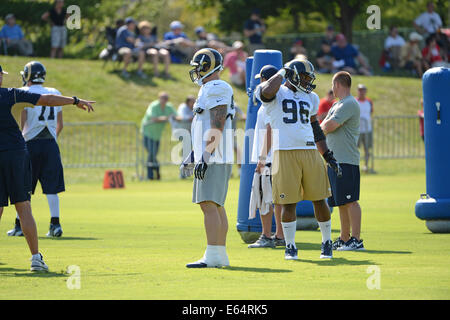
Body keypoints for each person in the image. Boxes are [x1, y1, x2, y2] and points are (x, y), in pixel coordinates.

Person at [0, 63, 94, 272]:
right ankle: (36, 257)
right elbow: (48, 101)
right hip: (17, 152)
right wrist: (75, 101)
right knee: (24, 205)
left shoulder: (17, 92)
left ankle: (27, 237)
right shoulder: (11, 94)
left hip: (21, 147)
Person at [256, 58, 342, 260]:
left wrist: (327, 154)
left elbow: (315, 128)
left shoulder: (311, 97)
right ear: (291, 75)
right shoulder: (275, 91)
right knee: (288, 203)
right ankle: (290, 246)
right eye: (303, 77)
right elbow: (266, 92)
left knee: (320, 199)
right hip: (284, 152)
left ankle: (327, 242)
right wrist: (282, 73)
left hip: (310, 151)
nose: (306, 81)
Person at [180, 48, 235, 268]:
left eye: (198, 66)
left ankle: (212, 255)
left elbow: (217, 123)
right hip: (213, 153)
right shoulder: (209, 88)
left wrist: (205, 155)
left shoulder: (217, 86)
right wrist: (194, 154)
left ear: (208, 66)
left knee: (209, 204)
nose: (196, 71)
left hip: (215, 155)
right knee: (216, 205)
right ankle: (219, 255)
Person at [7, 61, 66, 238]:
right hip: (50, 143)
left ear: (28, 75)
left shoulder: (24, 92)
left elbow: (23, 121)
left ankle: (18, 226)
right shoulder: (55, 92)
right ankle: (55, 224)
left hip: (30, 143)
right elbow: (60, 124)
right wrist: (52, 140)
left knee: (24, 186)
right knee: (51, 186)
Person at [321, 71, 365, 251]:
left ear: (338, 84)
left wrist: (318, 129)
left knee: (350, 200)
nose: (332, 88)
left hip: (346, 160)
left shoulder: (349, 103)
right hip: (335, 160)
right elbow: (325, 125)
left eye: (333, 85)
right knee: (340, 202)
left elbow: (328, 126)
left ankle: (356, 239)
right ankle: (344, 238)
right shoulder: (338, 104)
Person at [248, 65, 285, 248]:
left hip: (269, 158)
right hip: (278, 156)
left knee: (264, 198)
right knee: (278, 199)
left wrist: (261, 159)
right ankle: (279, 235)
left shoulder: (267, 105)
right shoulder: (280, 102)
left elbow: (270, 131)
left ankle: (266, 235)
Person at [141, 92, 176, 180]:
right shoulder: (153, 105)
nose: (164, 100)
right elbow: (153, 118)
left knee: (153, 155)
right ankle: (152, 175)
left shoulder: (169, 107)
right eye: (162, 98)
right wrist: (167, 118)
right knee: (152, 154)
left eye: (166, 98)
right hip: (147, 133)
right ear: (159, 98)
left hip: (157, 135)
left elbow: (176, 116)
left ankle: (154, 175)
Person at [355, 84, 373, 173]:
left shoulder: (369, 101)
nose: (361, 92)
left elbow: (371, 112)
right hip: (356, 130)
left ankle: (366, 165)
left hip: (367, 129)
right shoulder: (354, 101)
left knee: (367, 149)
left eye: (363, 90)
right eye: (359, 90)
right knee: (354, 149)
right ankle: (355, 165)